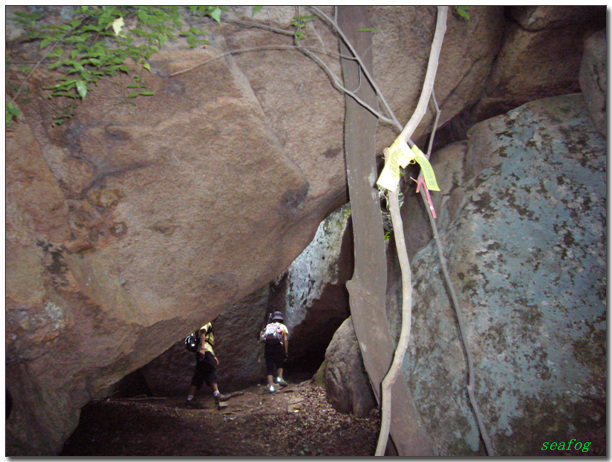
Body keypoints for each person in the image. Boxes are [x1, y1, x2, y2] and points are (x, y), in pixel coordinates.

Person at [186, 322, 228, 407]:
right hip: (205, 351)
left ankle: (190, 399)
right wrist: (202, 348)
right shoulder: (205, 322)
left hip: (205, 351)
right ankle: (217, 395)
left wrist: (213, 355)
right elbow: (202, 334)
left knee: (199, 375)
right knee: (211, 370)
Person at [260, 311, 289, 393]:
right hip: (278, 346)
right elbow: (285, 339)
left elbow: (262, 337)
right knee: (279, 362)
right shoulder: (282, 326)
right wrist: (286, 352)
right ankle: (279, 378)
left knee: (269, 365)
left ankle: (271, 386)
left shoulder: (268, 325)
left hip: (268, 347)